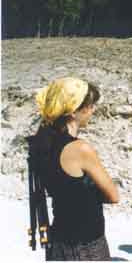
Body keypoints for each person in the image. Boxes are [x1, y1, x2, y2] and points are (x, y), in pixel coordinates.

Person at [27, 77, 119, 261]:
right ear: (74, 110)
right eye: (90, 105)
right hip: (86, 246)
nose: (92, 110)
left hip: (57, 242)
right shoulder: (80, 149)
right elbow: (113, 195)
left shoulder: (41, 142)